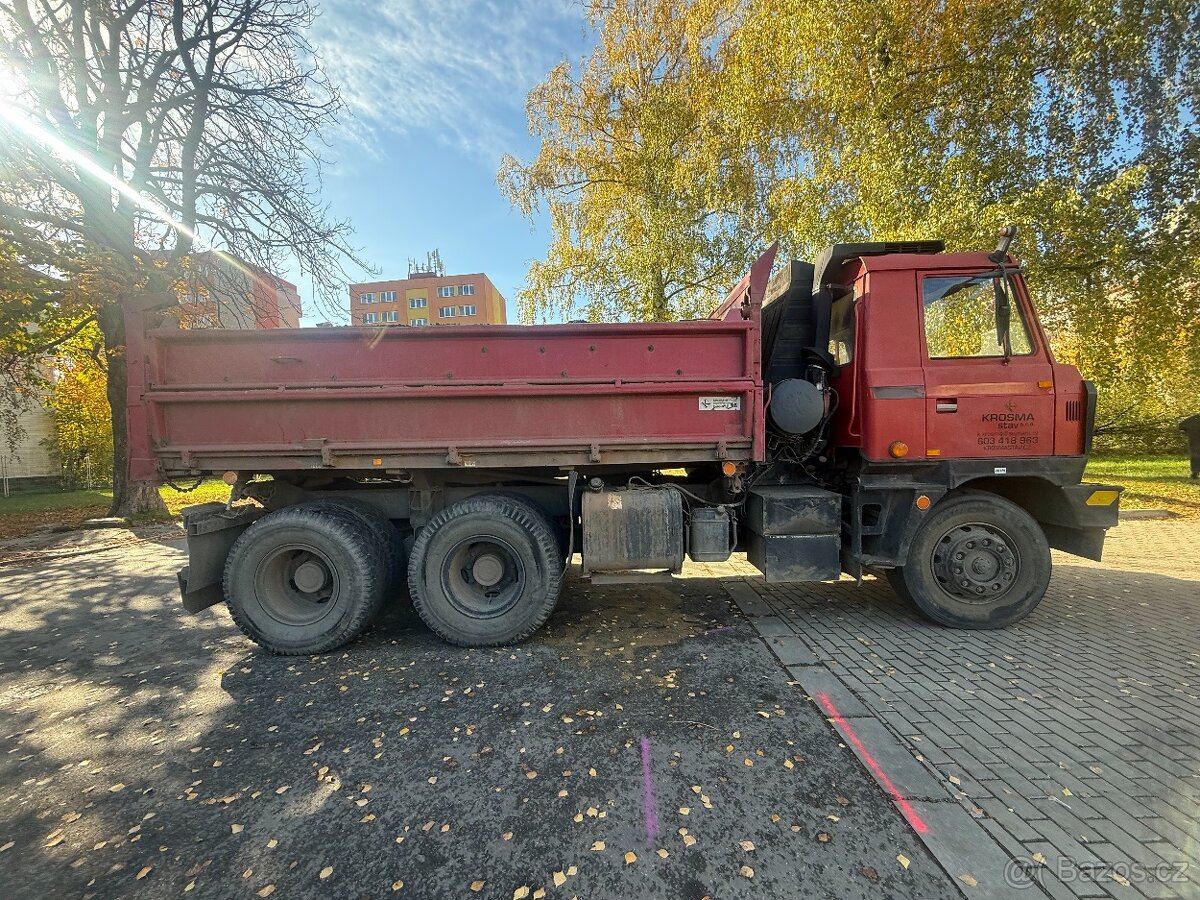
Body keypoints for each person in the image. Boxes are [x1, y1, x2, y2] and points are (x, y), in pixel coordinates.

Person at [1180, 415, 1200, 479]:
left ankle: (1195, 472)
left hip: (1194, 441)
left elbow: (1180, 426)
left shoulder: (1192, 419)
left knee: (1195, 457)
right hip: (1194, 442)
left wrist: (1186, 432)